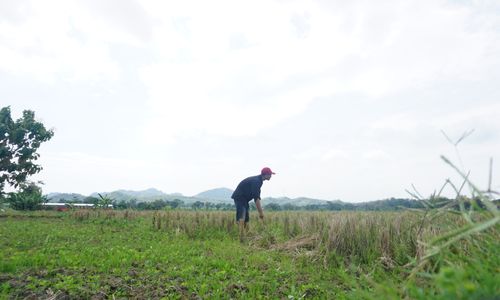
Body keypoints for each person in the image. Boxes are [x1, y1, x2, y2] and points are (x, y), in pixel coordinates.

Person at [231, 167, 275, 241]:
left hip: (244, 199)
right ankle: (241, 238)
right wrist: (261, 213)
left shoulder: (259, 181)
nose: (271, 176)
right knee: (242, 216)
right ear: (266, 174)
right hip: (240, 197)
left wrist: (261, 212)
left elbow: (257, 197)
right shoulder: (256, 181)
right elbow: (256, 199)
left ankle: (247, 236)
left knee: (246, 218)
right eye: (270, 174)